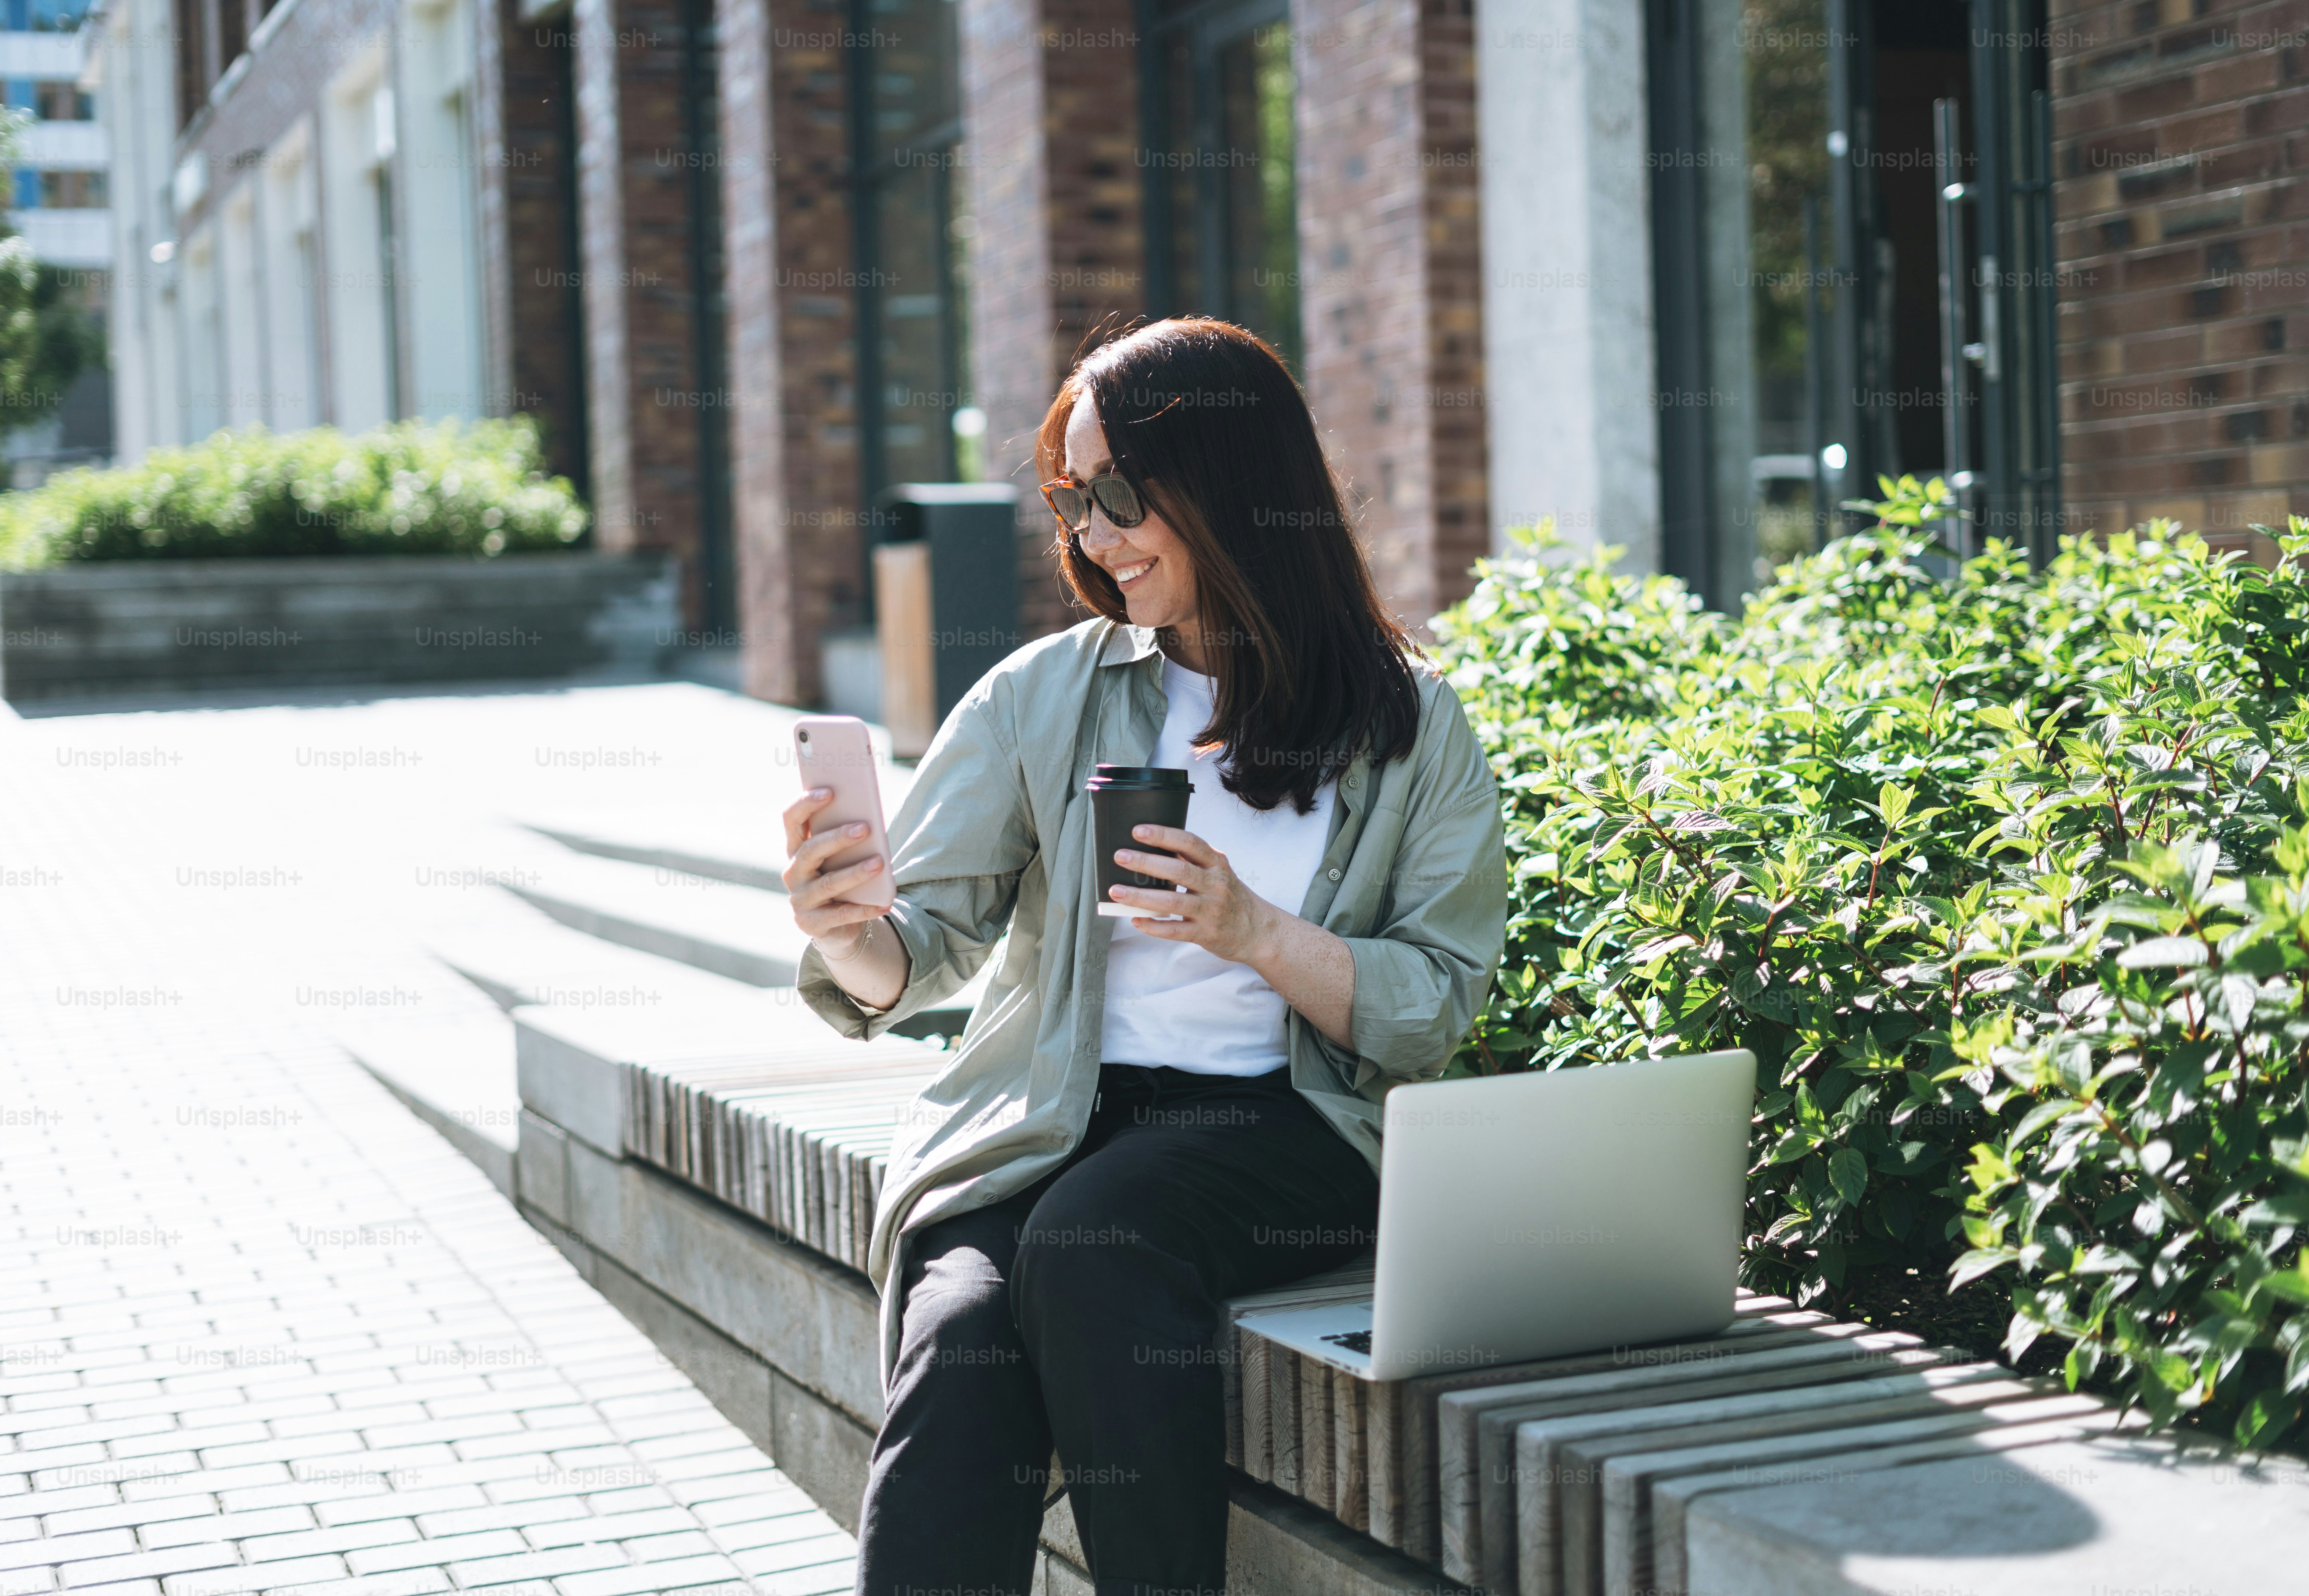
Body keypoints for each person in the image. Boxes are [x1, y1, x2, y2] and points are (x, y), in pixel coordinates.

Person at [782, 316, 1508, 1596]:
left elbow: (1433, 1007)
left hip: (1289, 1128)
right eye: (1070, 498)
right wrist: (848, 935)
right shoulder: (1038, 696)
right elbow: (923, 951)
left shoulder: (1408, 725)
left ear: (1232, 486)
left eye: (1118, 493)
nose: (1091, 534)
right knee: (960, 1345)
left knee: (1096, 1246)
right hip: (1047, 1116)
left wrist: (1256, 935)